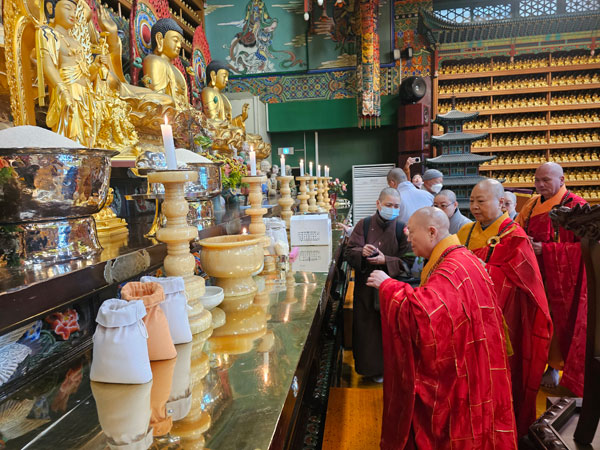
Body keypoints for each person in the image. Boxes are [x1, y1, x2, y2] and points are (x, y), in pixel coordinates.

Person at [367, 207, 517, 449]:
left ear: (432, 232)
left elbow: (426, 317)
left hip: (463, 373)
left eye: (411, 232)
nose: (408, 238)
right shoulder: (460, 257)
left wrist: (389, 287)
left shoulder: (452, 267)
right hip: (476, 361)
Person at [457, 179, 552, 436]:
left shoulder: (515, 236)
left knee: (499, 378)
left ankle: (501, 429)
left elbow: (527, 284)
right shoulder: (465, 232)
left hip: (503, 321)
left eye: (481, 201)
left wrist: (483, 272)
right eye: (472, 201)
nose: (475, 207)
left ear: (501, 202)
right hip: (467, 316)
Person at [517, 162, 587, 395]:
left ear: (562, 180)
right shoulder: (531, 205)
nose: (540, 185)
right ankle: (536, 365)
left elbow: (589, 247)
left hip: (564, 279)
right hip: (534, 274)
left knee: (559, 323)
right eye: (537, 180)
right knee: (534, 321)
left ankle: (555, 368)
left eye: (546, 180)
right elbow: (516, 231)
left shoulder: (578, 207)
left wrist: (546, 250)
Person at [344, 188, 411, 382]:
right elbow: (349, 252)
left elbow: (409, 261)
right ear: (378, 204)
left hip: (392, 290)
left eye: (396, 206)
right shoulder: (364, 225)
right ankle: (370, 370)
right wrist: (362, 252)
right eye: (389, 205)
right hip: (365, 289)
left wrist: (385, 260)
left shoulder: (402, 229)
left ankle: (392, 371)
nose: (393, 209)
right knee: (368, 332)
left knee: (390, 332)